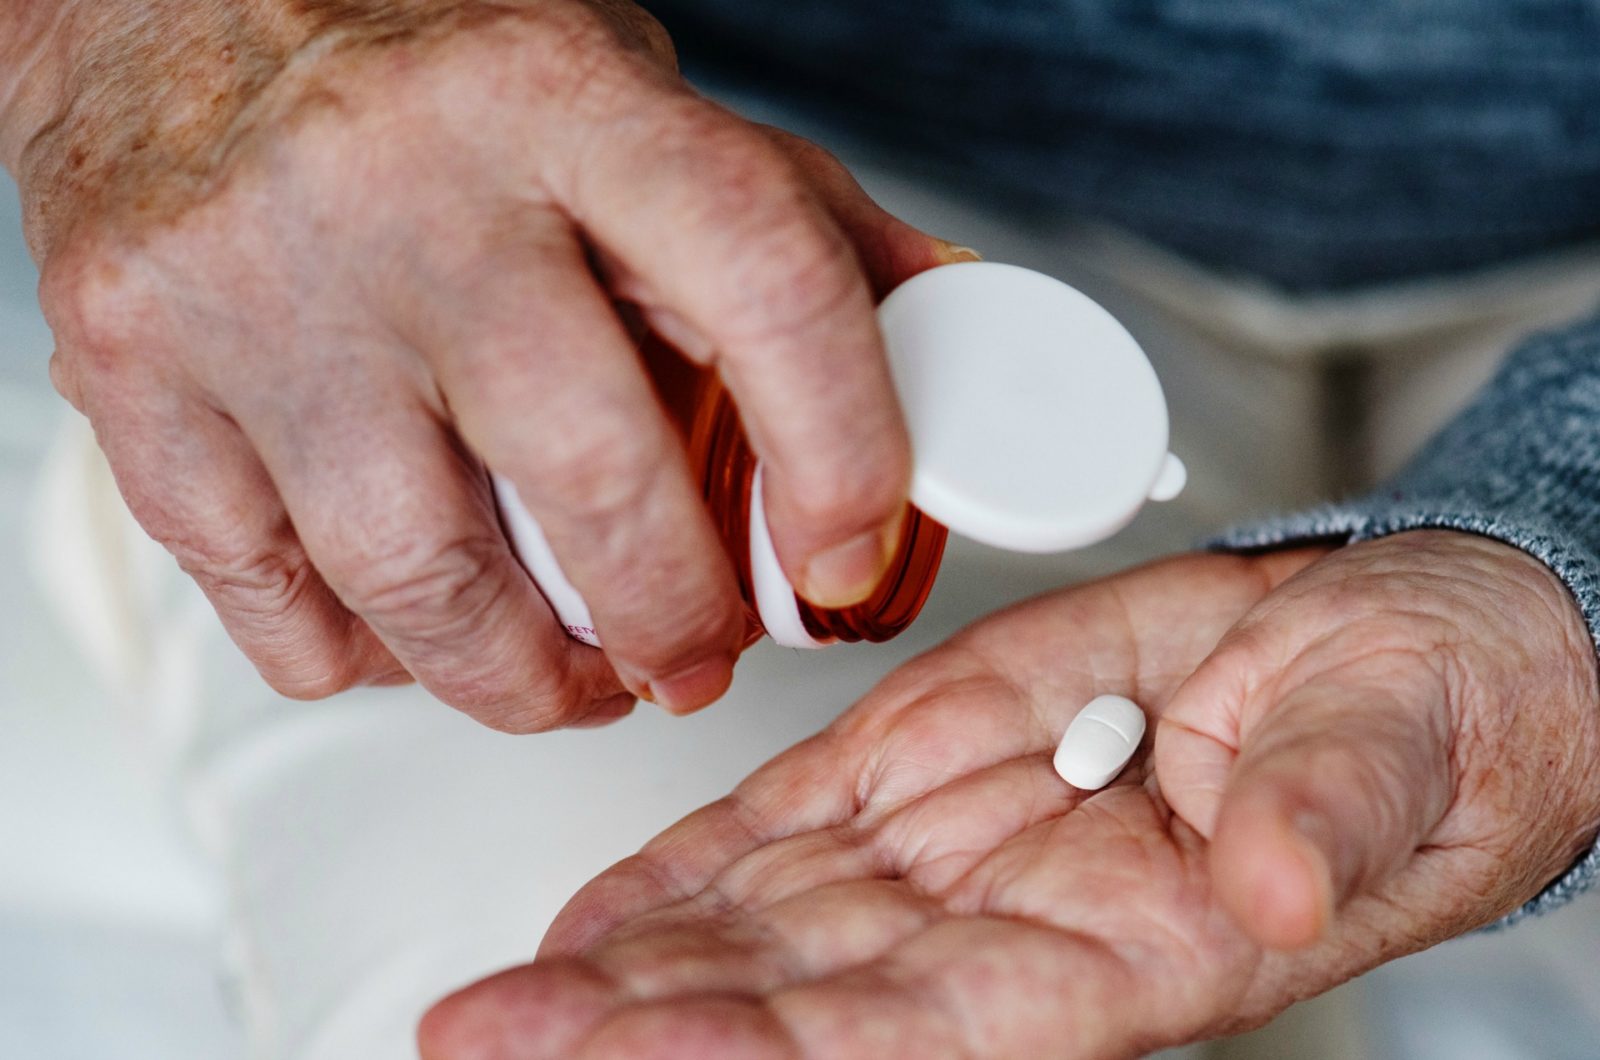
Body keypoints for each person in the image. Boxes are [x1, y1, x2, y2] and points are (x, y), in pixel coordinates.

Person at [3, 1, 1599, 1056]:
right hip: (674, 155)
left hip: (1568, 257)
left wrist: (1555, 535)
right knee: (552, 978)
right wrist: (141, 38)